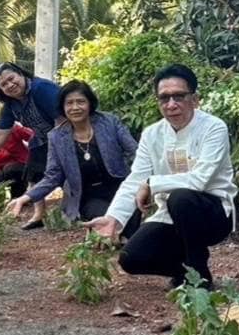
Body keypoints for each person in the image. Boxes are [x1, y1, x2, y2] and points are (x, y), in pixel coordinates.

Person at [83, 64, 236, 286]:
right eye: (164, 98)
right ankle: (189, 270)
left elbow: (200, 180)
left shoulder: (214, 128)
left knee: (181, 198)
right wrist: (113, 218)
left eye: (179, 96)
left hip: (213, 211)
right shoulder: (152, 134)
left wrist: (152, 184)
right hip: (170, 213)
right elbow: (136, 179)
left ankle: (200, 280)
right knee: (131, 259)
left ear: (195, 99)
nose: (171, 104)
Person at [8, 80, 140, 234]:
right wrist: (26, 197)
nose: (75, 107)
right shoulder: (57, 137)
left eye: (80, 102)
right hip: (88, 197)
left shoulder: (109, 122)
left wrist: (141, 181)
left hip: (121, 189)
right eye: (69, 103)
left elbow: (135, 151)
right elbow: (52, 177)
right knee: (111, 222)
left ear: (90, 103)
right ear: (62, 108)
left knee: (132, 220)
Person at [0, 63, 59, 230]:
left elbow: (62, 117)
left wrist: (61, 146)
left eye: (12, 78)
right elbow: (0, 134)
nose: (10, 85)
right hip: (41, 139)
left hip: (66, 134)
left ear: (21, 75)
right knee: (34, 176)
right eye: (3, 84)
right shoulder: (10, 105)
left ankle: (73, 213)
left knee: (69, 175)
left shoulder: (41, 89)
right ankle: (39, 216)